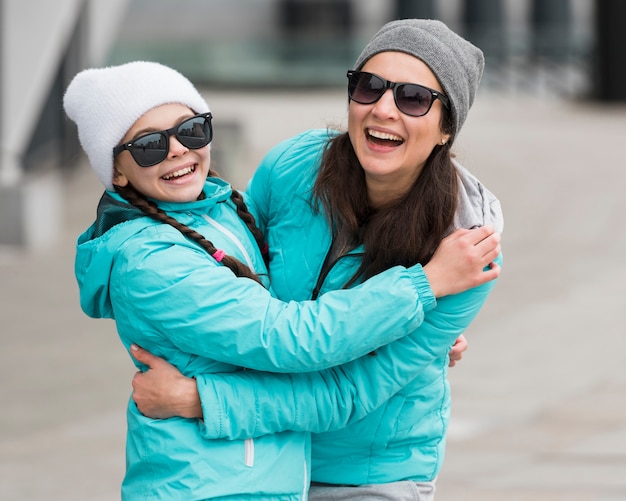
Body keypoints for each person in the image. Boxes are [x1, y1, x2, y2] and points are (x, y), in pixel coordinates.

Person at [64, 59, 500, 500]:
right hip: (229, 476)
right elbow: (286, 337)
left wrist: (199, 398)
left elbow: (338, 383)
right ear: (116, 171)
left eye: (191, 130)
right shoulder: (283, 176)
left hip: (359, 473)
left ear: (448, 127)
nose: (177, 150)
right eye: (149, 147)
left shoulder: (464, 245)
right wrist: (420, 289)